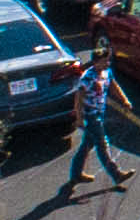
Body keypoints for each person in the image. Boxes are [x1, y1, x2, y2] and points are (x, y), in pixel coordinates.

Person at [46, 57, 130, 202]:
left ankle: (76, 174)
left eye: (107, 61)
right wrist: (79, 118)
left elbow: (113, 86)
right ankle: (116, 174)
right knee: (102, 144)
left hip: (100, 113)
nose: (106, 64)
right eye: (103, 61)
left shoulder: (106, 72)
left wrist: (124, 100)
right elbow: (78, 98)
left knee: (87, 145)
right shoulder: (88, 77)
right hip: (90, 115)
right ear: (95, 62)